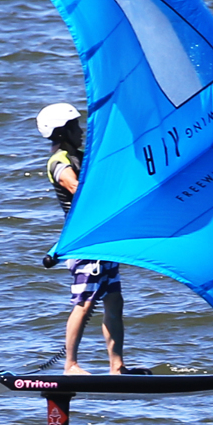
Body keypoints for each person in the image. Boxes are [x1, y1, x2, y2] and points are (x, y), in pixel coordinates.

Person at [36, 103, 149, 376]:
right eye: (75, 126)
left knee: (114, 301)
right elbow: (75, 188)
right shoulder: (60, 161)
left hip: (102, 241)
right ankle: (71, 365)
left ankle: (117, 367)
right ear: (62, 132)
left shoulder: (77, 155)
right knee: (84, 304)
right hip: (85, 243)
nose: (81, 131)